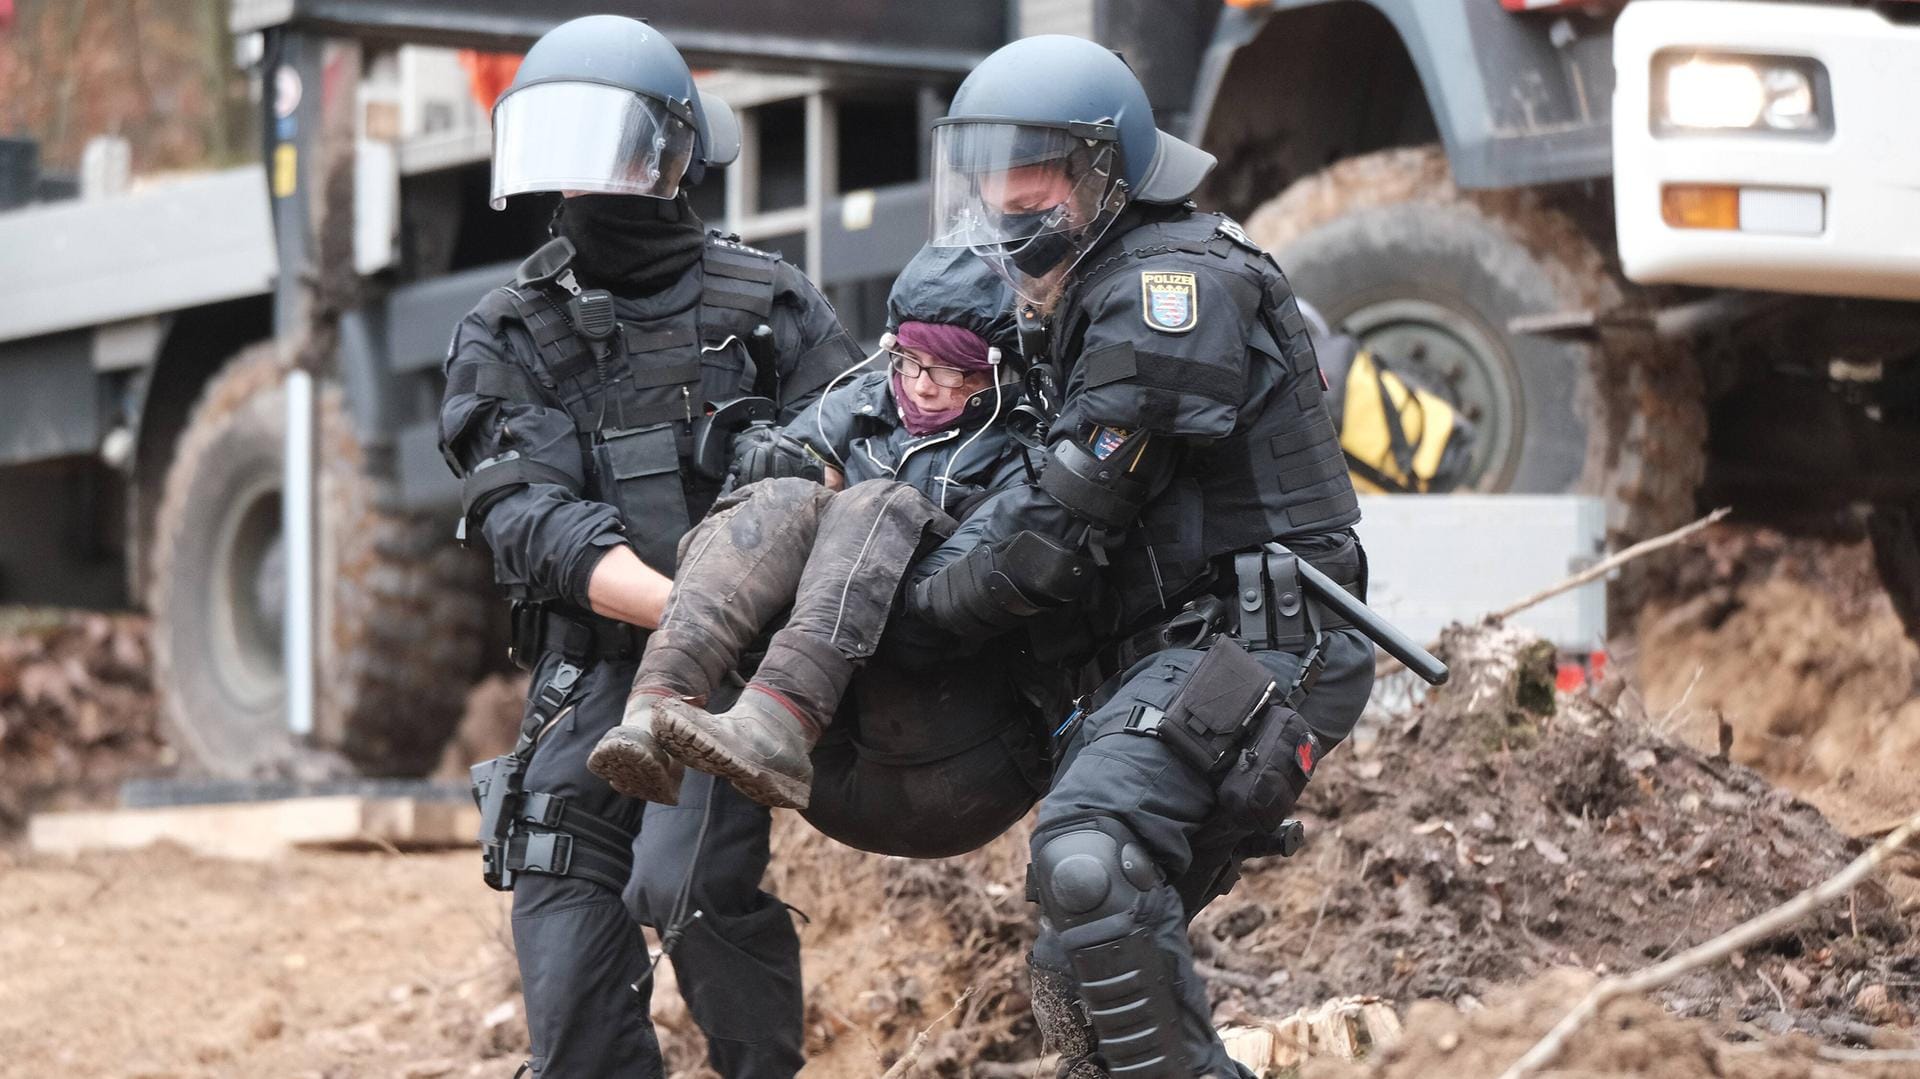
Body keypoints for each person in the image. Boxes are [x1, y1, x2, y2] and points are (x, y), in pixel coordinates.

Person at [896, 36, 1377, 1078]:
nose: (1002, 196)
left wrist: (904, 611)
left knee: (1089, 862)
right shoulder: (1072, 291)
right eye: (987, 167)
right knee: (1080, 966)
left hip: (1265, 633)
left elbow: (1052, 531)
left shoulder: (1172, 284)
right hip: (1170, 644)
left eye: (1032, 171)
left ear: (1100, 173)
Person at [437, 16, 862, 1078]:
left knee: (694, 892)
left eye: (618, 152)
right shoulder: (510, 329)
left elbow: (863, 470)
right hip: (593, 671)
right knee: (563, 930)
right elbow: (528, 518)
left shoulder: (769, 304)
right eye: (569, 159)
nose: (592, 187)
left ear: (675, 158)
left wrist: (735, 612)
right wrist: (680, 604)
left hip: (741, 678)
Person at [588, 244, 1055, 858]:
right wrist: (767, 464)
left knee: (876, 502)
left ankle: (779, 717)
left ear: (998, 370)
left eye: (951, 372)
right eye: (909, 362)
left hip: (950, 727)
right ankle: (656, 706)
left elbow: (977, 575)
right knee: (780, 494)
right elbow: (752, 507)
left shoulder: (1023, 447)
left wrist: (860, 517)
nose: (923, 387)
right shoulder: (861, 400)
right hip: (841, 743)